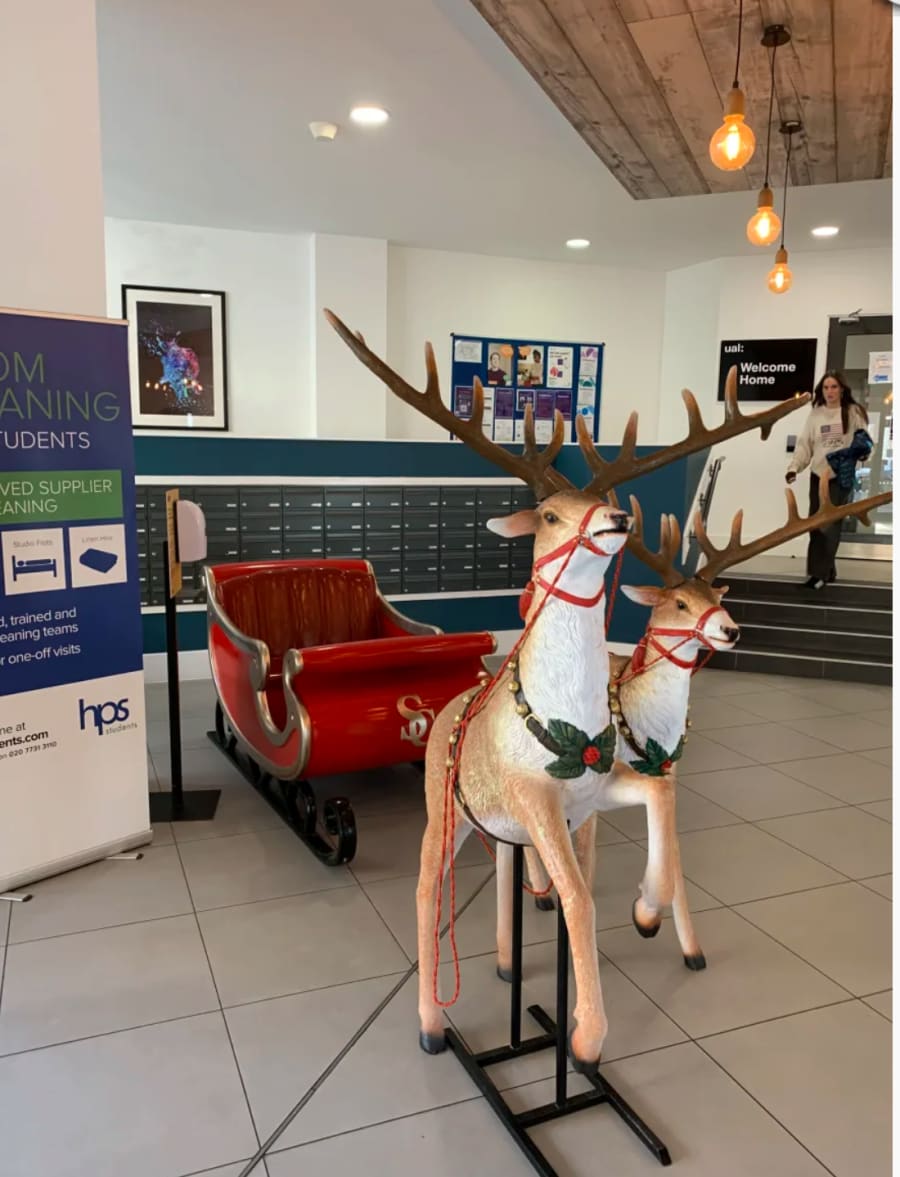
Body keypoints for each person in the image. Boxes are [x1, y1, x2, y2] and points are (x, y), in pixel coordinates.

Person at [786, 370, 869, 588]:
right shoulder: (816, 415)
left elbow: (864, 441)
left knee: (830, 527)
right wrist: (794, 468)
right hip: (818, 476)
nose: (830, 391)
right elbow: (805, 445)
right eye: (826, 387)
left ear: (841, 389)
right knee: (815, 525)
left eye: (834, 387)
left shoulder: (852, 412)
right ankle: (824, 572)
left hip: (839, 477)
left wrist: (861, 454)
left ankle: (820, 575)